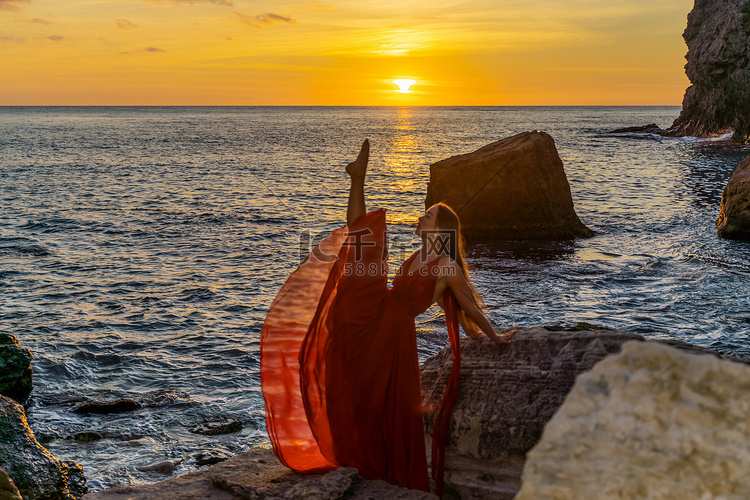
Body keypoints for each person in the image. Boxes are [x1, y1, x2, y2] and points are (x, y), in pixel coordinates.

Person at [260, 139, 516, 496]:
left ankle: (357, 179)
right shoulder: (415, 256)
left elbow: (468, 308)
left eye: (427, 215)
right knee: (363, 252)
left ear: (439, 228)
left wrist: (495, 337)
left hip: (393, 330)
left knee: (367, 246)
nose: (420, 215)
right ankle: (357, 180)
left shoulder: (446, 267)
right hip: (379, 313)